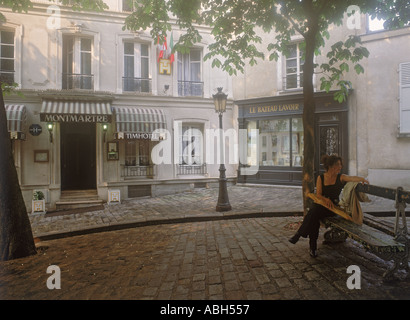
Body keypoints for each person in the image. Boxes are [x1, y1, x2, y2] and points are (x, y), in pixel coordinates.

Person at [288, 154, 369, 257]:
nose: (340, 167)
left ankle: (302, 238)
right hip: (321, 205)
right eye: (338, 165)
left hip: (332, 208)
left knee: (313, 212)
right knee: (314, 215)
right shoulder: (320, 178)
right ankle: (310, 246)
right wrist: (326, 199)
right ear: (330, 166)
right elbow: (319, 195)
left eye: (340, 165)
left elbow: (351, 178)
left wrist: (362, 179)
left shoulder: (341, 177)